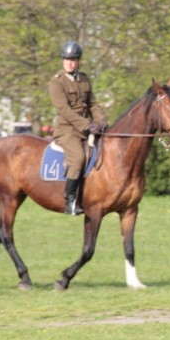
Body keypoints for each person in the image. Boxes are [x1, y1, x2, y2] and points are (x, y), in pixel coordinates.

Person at [48, 40, 107, 216]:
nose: (70, 62)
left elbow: (93, 104)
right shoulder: (57, 82)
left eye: (73, 59)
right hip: (66, 130)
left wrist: (100, 121)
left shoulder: (84, 79)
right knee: (79, 158)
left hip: (86, 128)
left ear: (78, 60)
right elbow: (64, 110)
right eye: (66, 59)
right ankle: (70, 201)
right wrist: (86, 125)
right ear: (63, 60)